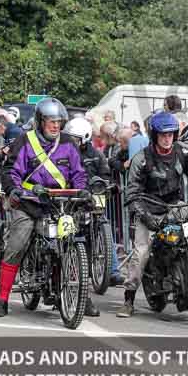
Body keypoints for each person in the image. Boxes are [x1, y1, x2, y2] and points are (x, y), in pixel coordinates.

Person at [0, 98, 87, 318]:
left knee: (75, 239)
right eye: (50, 121)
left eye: (58, 122)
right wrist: (14, 190)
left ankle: (82, 295)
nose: (55, 126)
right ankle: (2, 299)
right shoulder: (25, 141)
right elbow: (10, 171)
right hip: (29, 203)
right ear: (40, 121)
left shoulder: (69, 143)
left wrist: (83, 190)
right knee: (17, 243)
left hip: (60, 205)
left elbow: (79, 173)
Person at [116, 112, 188, 318]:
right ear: (154, 135)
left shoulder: (184, 151)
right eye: (163, 135)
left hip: (176, 206)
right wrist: (146, 217)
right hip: (147, 207)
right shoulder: (141, 159)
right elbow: (131, 196)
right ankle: (128, 299)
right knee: (141, 252)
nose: (167, 139)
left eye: (171, 134)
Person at [64, 117, 115, 316]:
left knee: (85, 248)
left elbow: (106, 174)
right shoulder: (62, 152)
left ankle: (83, 297)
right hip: (68, 204)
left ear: (84, 138)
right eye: (69, 138)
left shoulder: (96, 155)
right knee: (63, 246)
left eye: (75, 139)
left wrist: (106, 186)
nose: (71, 142)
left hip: (90, 203)